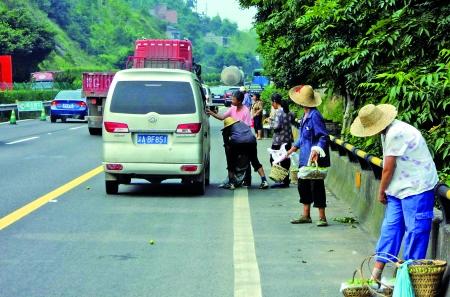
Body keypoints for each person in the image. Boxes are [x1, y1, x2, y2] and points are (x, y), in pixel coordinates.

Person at [349, 103, 438, 280]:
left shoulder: (397, 133)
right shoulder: (387, 132)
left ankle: (409, 280)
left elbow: (388, 168)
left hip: (417, 187)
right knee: (390, 228)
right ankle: (376, 276)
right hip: (398, 187)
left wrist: (381, 191)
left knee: (415, 232)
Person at [285, 85, 330, 226]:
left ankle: (322, 217)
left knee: (316, 186)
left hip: (314, 157)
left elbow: (323, 136)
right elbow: (303, 137)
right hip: (304, 157)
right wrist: (293, 148)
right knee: (303, 185)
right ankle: (306, 215)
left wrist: (317, 150)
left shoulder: (315, 115)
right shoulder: (305, 115)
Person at [221, 117, 269, 190]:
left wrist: (230, 156)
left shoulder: (227, 129)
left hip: (237, 142)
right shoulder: (242, 124)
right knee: (255, 161)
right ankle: (264, 181)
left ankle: (231, 183)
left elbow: (226, 144)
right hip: (251, 141)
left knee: (231, 163)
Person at [269, 93, 294, 188]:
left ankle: (280, 180)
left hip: (278, 140)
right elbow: (291, 119)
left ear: (275, 102)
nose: (272, 104)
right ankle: (286, 180)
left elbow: (276, 126)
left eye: (272, 102)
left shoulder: (279, 112)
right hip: (288, 139)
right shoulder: (289, 111)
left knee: (274, 159)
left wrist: (270, 123)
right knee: (286, 159)